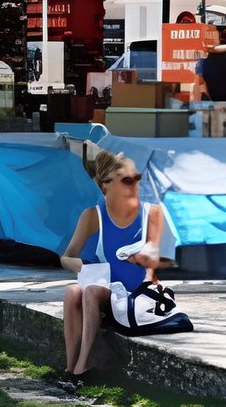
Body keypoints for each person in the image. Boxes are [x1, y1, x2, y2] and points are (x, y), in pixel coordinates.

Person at [56, 150, 168, 389]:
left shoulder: (152, 213)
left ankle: (82, 369)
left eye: (135, 179)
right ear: (105, 185)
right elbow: (65, 257)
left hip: (139, 295)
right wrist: (77, 264)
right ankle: (70, 368)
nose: (134, 185)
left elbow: (156, 254)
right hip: (109, 291)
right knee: (72, 291)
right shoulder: (92, 216)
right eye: (126, 180)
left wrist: (143, 255)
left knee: (90, 292)